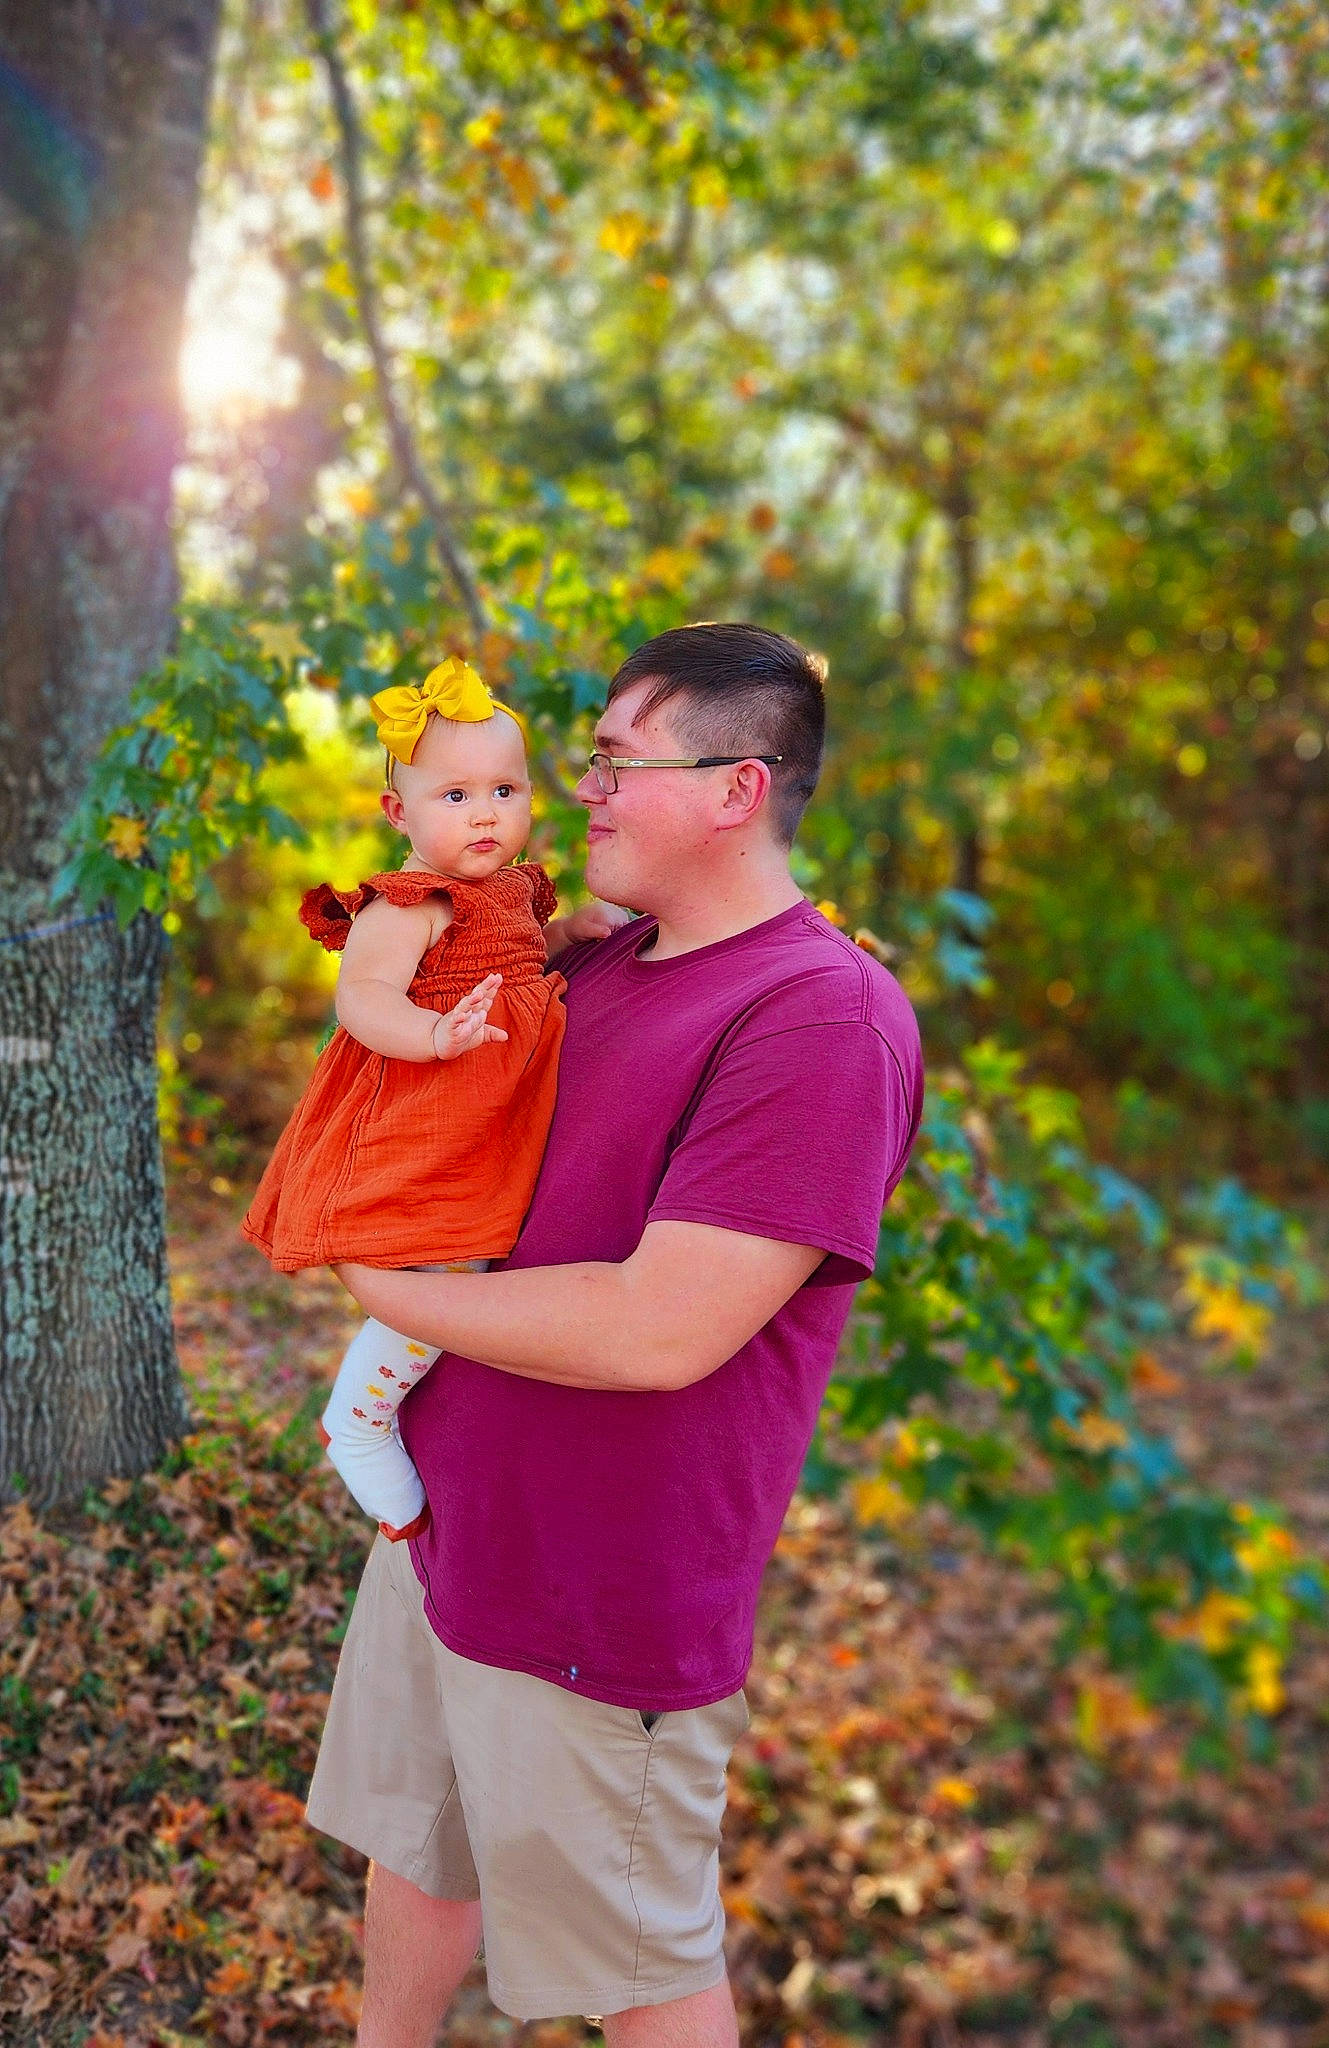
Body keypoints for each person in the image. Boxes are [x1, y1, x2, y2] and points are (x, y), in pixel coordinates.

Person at [305, 622, 925, 2048]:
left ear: (735, 789)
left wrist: (382, 1288)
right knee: (421, 1849)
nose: (577, 789)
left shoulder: (819, 1018)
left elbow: (660, 1328)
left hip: (602, 1598)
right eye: (581, 760)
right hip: (446, 1529)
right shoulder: (595, 962)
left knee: (640, 1969)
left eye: (614, 762)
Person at [241, 654, 626, 1538]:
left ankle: (393, 1404)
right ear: (398, 813)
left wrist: (566, 933)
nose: (485, 811)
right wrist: (432, 1036)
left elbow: (520, 964)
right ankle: (362, 1416)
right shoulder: (412, 903)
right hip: (425, 1107)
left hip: (487, 1112)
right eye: (454, 796)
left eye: (505, 789)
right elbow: (363, 999)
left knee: (475, 1256)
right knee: (450, 1264)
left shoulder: (515, 891)